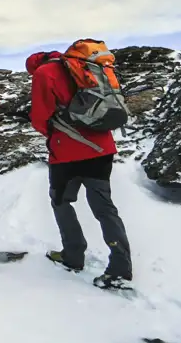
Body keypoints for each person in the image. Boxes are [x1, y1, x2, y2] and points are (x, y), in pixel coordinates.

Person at [26, 50, 133, 289]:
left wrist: (52, 131)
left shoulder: (43, 73)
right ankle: (120, 267)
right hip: (103, 148)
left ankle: (73, 255)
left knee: (61, 201)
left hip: (67, 152)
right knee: (105, 208)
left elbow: (40, 117)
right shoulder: (87, 67)